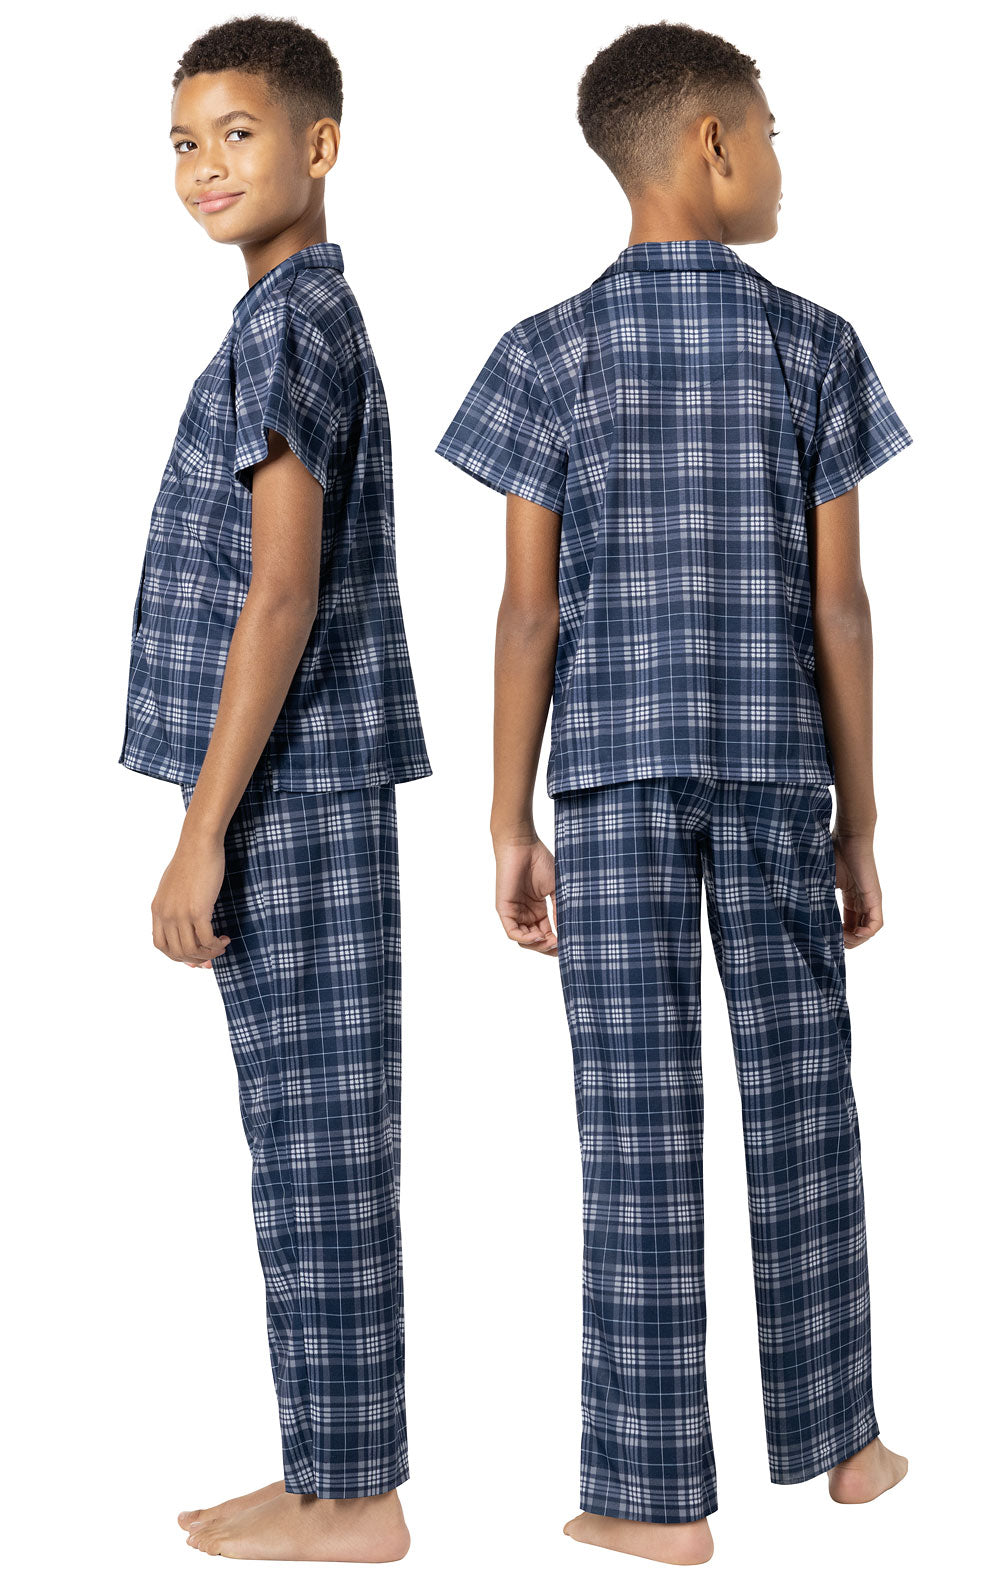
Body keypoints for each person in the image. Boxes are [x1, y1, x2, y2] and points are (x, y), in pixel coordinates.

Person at [434, 20, 911, 1568]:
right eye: (768, 132)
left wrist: (509, 820)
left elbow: (528, 614)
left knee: (633, 1127)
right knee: (805, 1102)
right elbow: (841, 609)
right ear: (710, 143)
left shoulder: (543, 352)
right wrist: (861, 818)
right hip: (777, 773)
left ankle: (653, 1501)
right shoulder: (816, 343)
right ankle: (846, 1448)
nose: (777, 159)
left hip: (611, 787)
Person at [117, 14, 431, 1564]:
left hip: (289, 792)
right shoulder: (289, 317)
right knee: (309, 1139)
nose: (204, 166)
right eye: (184, 142)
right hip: (294, 789)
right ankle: (331, 1471)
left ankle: (353, 1497)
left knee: (318, 1144)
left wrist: (202, 831)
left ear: (319, 146)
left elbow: (283, 592)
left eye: (236, 134)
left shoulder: (290, 327)